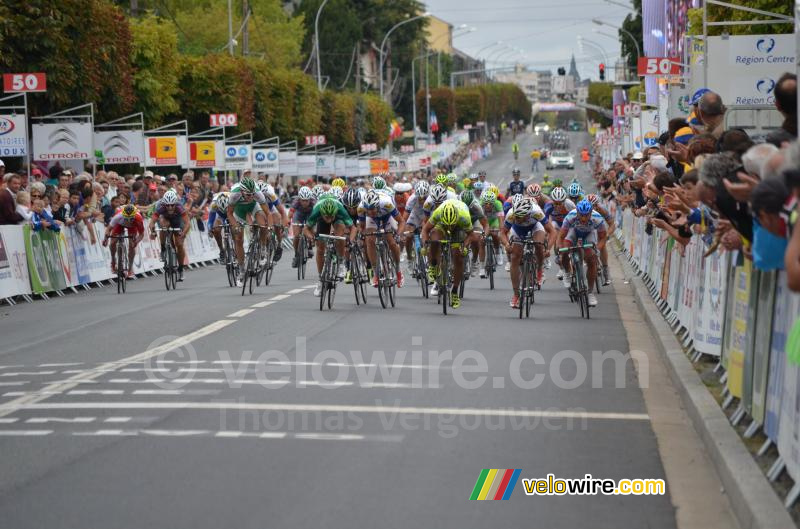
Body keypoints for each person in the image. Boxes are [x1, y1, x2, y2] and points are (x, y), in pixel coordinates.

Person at [421, 199, 472, 309]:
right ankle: (433, 265)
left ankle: (454, 292)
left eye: (451, 225)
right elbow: (425, 230)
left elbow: (470, 235)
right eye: (448, 225)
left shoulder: (464, 218)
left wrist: (465, 247)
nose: (450, 228)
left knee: (458, 257)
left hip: (458, 228)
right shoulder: (438, 214)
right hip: (441, 224)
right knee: (434, 238)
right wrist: (425, 246)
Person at [559, 199, 607, 307]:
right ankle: (567, 272)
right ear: (577, 213)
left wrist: (597, 250)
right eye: (581, 215)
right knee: (565, 251)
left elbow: (603, 238)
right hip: (573, 233)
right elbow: (561, 236)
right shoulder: (570, 216)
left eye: (587, 215)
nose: (584, 218)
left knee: (592, 260)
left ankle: (590, 292)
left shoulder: (597, 218)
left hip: (589, 234)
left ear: (591, 213)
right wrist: (560, 249)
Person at [303, 197, 356, 297]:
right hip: (321, 219)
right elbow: (305, 230)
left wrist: (351, 241)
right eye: (327, 217)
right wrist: (312, 237)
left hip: (338, 219)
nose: (329, 220)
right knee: (320, 248)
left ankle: (341, 262)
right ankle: (321, 279)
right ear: (322, 213)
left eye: (331, 217)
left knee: (340, 235)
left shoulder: (340, 210)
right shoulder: (317, 211)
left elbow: (353, 228)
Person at [500, 197, 546, 309]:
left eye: (520, 216)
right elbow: (503, 233)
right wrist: (506, 244)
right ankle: (516, 295)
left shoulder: (537, 212)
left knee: (539, 245)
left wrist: (547, 248)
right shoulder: (512, 214)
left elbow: (551, 230)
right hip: (518, 230)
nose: (517, 218)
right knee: (515, 257)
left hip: (535, 227)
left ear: (527, 214)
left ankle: (539, 270)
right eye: (516, 216)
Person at [226, 177, 274, 284]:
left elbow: (268, 213)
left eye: (252, 194)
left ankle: (262, 250)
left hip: (254, 208)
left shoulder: (258, 194)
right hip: (239, 212)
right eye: (248, 194)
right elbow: (229, 213)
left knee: (262, 223)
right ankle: (242, 269)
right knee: (238, 239)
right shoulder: (234, 195)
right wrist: (236, 226)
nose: (251, 196)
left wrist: (270, 227)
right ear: (242, 191)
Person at [149, 190, 190, 282]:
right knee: (163, 226)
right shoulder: (160, 206)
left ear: (176, 203)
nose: (170, 208)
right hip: (165, 218)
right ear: (164, 204)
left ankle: (180, 268)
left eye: (172, 205)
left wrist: (183, 234)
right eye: (167, 205)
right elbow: (152, 222)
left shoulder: (179, 207)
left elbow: (187, 223)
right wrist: (152, 231)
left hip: (177, 221)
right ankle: (163, 248)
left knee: (179, 244)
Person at [104, 204, 144, 278]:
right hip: (119, 224)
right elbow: (108, 229)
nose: (128, 221)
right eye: (126, 218)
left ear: (134, 216)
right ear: (123, 215)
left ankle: (130, 268)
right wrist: (105, 239)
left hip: (133, 226)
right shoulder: (118, 216)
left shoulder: (138, 218)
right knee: (112, 242)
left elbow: (141, 235)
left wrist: (136, 242)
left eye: (130, 218)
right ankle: (113, 261)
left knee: (132, 245)